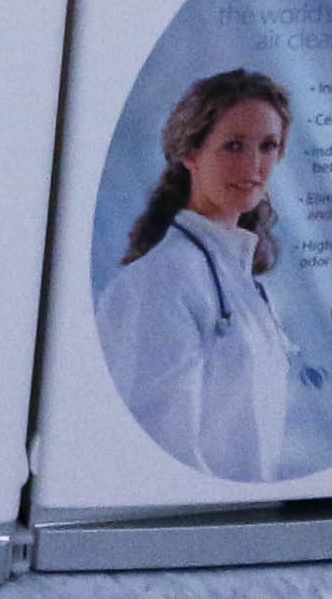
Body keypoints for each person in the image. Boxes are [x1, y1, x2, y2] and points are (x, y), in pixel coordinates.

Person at [94, 69, 298, 481]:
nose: (254, 166)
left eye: (268, 146)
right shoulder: (160, 281)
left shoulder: (248, 286)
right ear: (190, 153)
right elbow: (160, 441)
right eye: (234, 146)